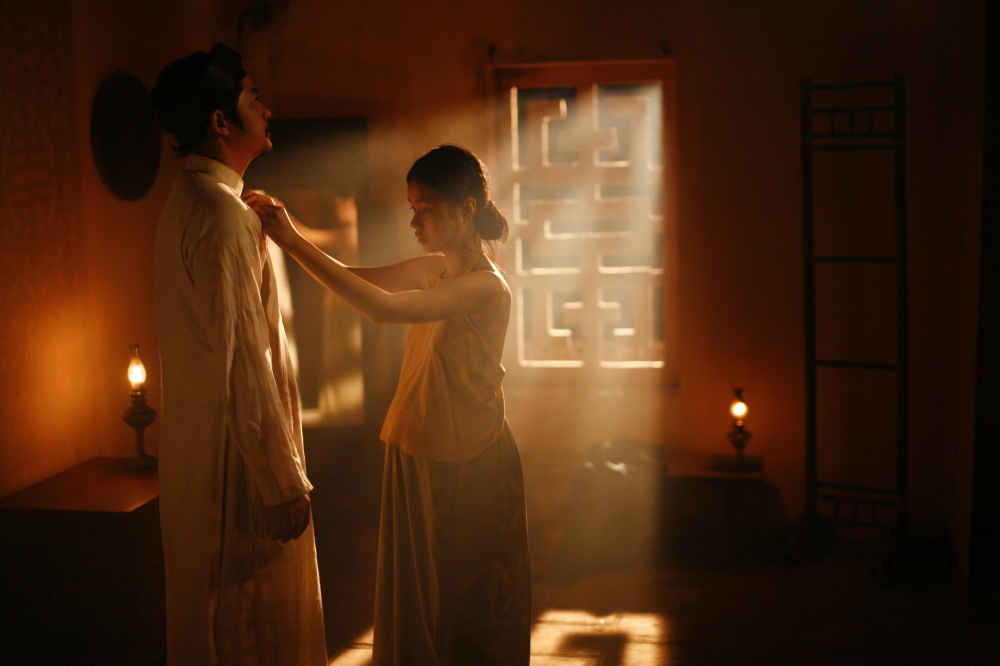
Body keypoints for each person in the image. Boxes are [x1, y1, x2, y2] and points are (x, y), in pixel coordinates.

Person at [244, 144, 531, 665]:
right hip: (417, 443)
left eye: (428, 209)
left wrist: (291, 239)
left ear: (467, 209)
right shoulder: (436, 268)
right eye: (413, 208)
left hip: (470, 458)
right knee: (418, 594)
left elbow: (379, 309)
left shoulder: (487, 287)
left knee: (466, 599)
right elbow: (354, 280)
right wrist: (288, 242)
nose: (415, 222)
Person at [150, 42, 326, 666]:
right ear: (220, 121)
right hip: (234, 463)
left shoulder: (196, 201)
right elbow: (246, 360)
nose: (267, 108)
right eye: (254, 97)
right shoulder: (221, 216)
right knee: (246, 632)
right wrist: (281, 480)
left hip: (207, 451)